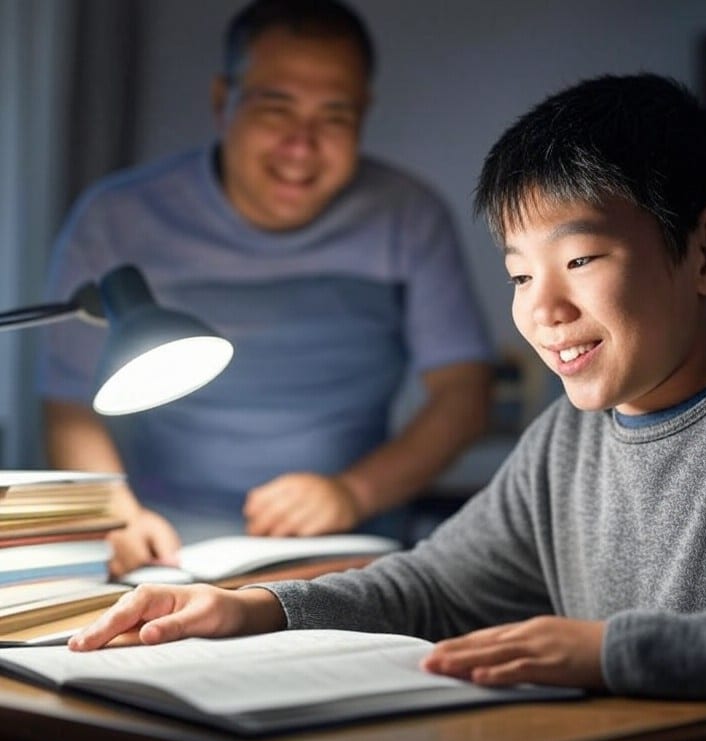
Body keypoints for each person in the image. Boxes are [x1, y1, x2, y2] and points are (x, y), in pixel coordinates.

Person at [70, 73, 706, 741]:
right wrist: (257, 607)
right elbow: (433, 588)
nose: (539, 309)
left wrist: (609, 650)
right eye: (518, 274)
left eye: (581, 260)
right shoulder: (567, 439)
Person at [38, 0, 494, 576]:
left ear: (364, 114)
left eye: (334, 116)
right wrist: (114, 512)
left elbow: (464, 394)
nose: (301, 146)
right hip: (162, 545)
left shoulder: (407, 217)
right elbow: (68, 402)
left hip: (345, 547)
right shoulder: (117, 218)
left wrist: (352, 492)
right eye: (275, 109)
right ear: (221, 101)